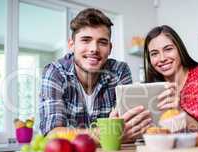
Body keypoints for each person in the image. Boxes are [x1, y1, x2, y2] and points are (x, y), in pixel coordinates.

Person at [39, 8, 151, 143]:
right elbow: (53, 135)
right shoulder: (55, 72)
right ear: (71, 45)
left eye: (102, 42)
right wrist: (109, 133)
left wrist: (117, 132)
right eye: (86, 40)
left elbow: (130, 129)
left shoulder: (120, 71)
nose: (94, 49)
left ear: (110, 48)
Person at [143, 25, 198, 131]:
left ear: (179, 49)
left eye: (168, 49)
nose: (162, 58)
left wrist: (180, 112)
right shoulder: (151, 89)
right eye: (154, 54)